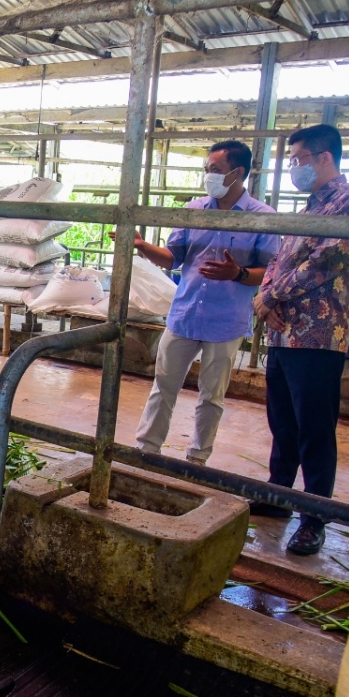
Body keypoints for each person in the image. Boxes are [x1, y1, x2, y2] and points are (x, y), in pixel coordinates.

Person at [113, 140, 279, 465]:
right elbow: (173, 257)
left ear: (238, 172)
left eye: (215, 170)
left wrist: (238, 272)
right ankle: (147, 451)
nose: (209, 176)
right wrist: (142, 246)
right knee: (164, 385)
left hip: (226, 320)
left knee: (211, 396)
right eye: (207, 170)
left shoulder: (262, 217)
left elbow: (269, 272)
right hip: (186, 313)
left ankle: (197, 459)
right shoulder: (195, 209)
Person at [252, 124, 349, 556]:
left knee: (314, 428)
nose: (293, 168)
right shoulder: (308, 209)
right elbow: (279, 262)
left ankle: (313, 516)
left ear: (324, 158)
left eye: (299, 159)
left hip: (319, 336)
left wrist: (271, 295)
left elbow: (326, 263)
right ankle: (278, 495)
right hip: (285, 333)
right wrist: (266, 298)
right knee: (282, 422)